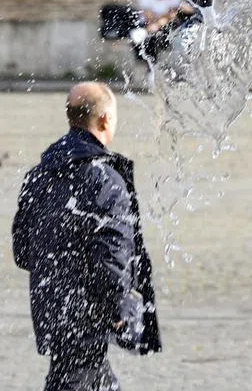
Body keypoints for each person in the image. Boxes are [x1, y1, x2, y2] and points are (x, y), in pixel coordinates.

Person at [11, 82, 161, 390]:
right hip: (87, 323)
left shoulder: (39, 175)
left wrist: (61, 270)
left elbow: (23, 251)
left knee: (91, 377)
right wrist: (117, 308)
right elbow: (113, 252)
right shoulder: (105, 178)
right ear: (105, 120)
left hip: (54, 314)